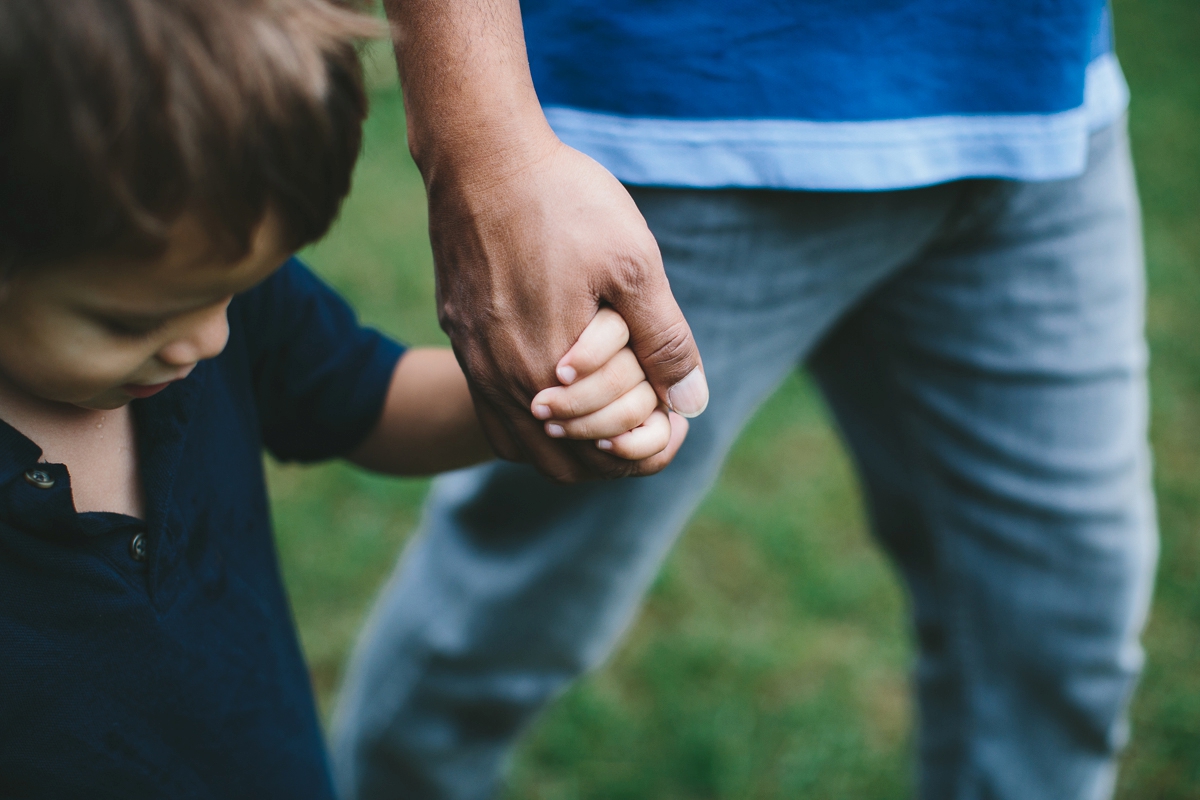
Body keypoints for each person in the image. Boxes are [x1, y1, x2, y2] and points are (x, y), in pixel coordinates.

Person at [331, 0, 1159, 798]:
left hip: (1038, 113)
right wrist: (483, 145)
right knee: (505, 626)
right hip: (685, 118)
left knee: (1060, 639)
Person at [0, 1, 686, 797]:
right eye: (130, 320)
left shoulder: (187, 279)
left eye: (238, 291)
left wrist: (552, 393)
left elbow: (373, 400)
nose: (209, 341)